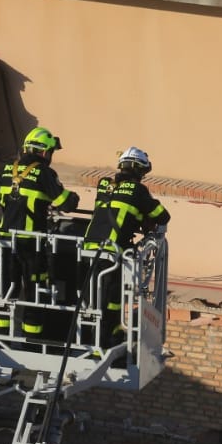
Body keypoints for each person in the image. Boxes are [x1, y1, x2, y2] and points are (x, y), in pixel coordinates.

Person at [0, 126, 79, 338]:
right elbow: (65, 202)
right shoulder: (44, 173)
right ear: (43, 152)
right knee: (34, 291)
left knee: (6, 289)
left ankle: (1, 335)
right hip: (32, 244)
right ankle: (32, 339)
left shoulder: (7, 169)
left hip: (5, 241)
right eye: (50, 152)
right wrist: (73, 197)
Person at [82, 147, 170, 350]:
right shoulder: (138, 190)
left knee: (90, 299)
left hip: (88, 249)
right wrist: (144, 219)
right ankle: (105, 343)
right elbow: (162, 215)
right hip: (112, 253)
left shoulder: (104, 184)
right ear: (140, 171)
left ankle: (92, 338)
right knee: (111, 300)